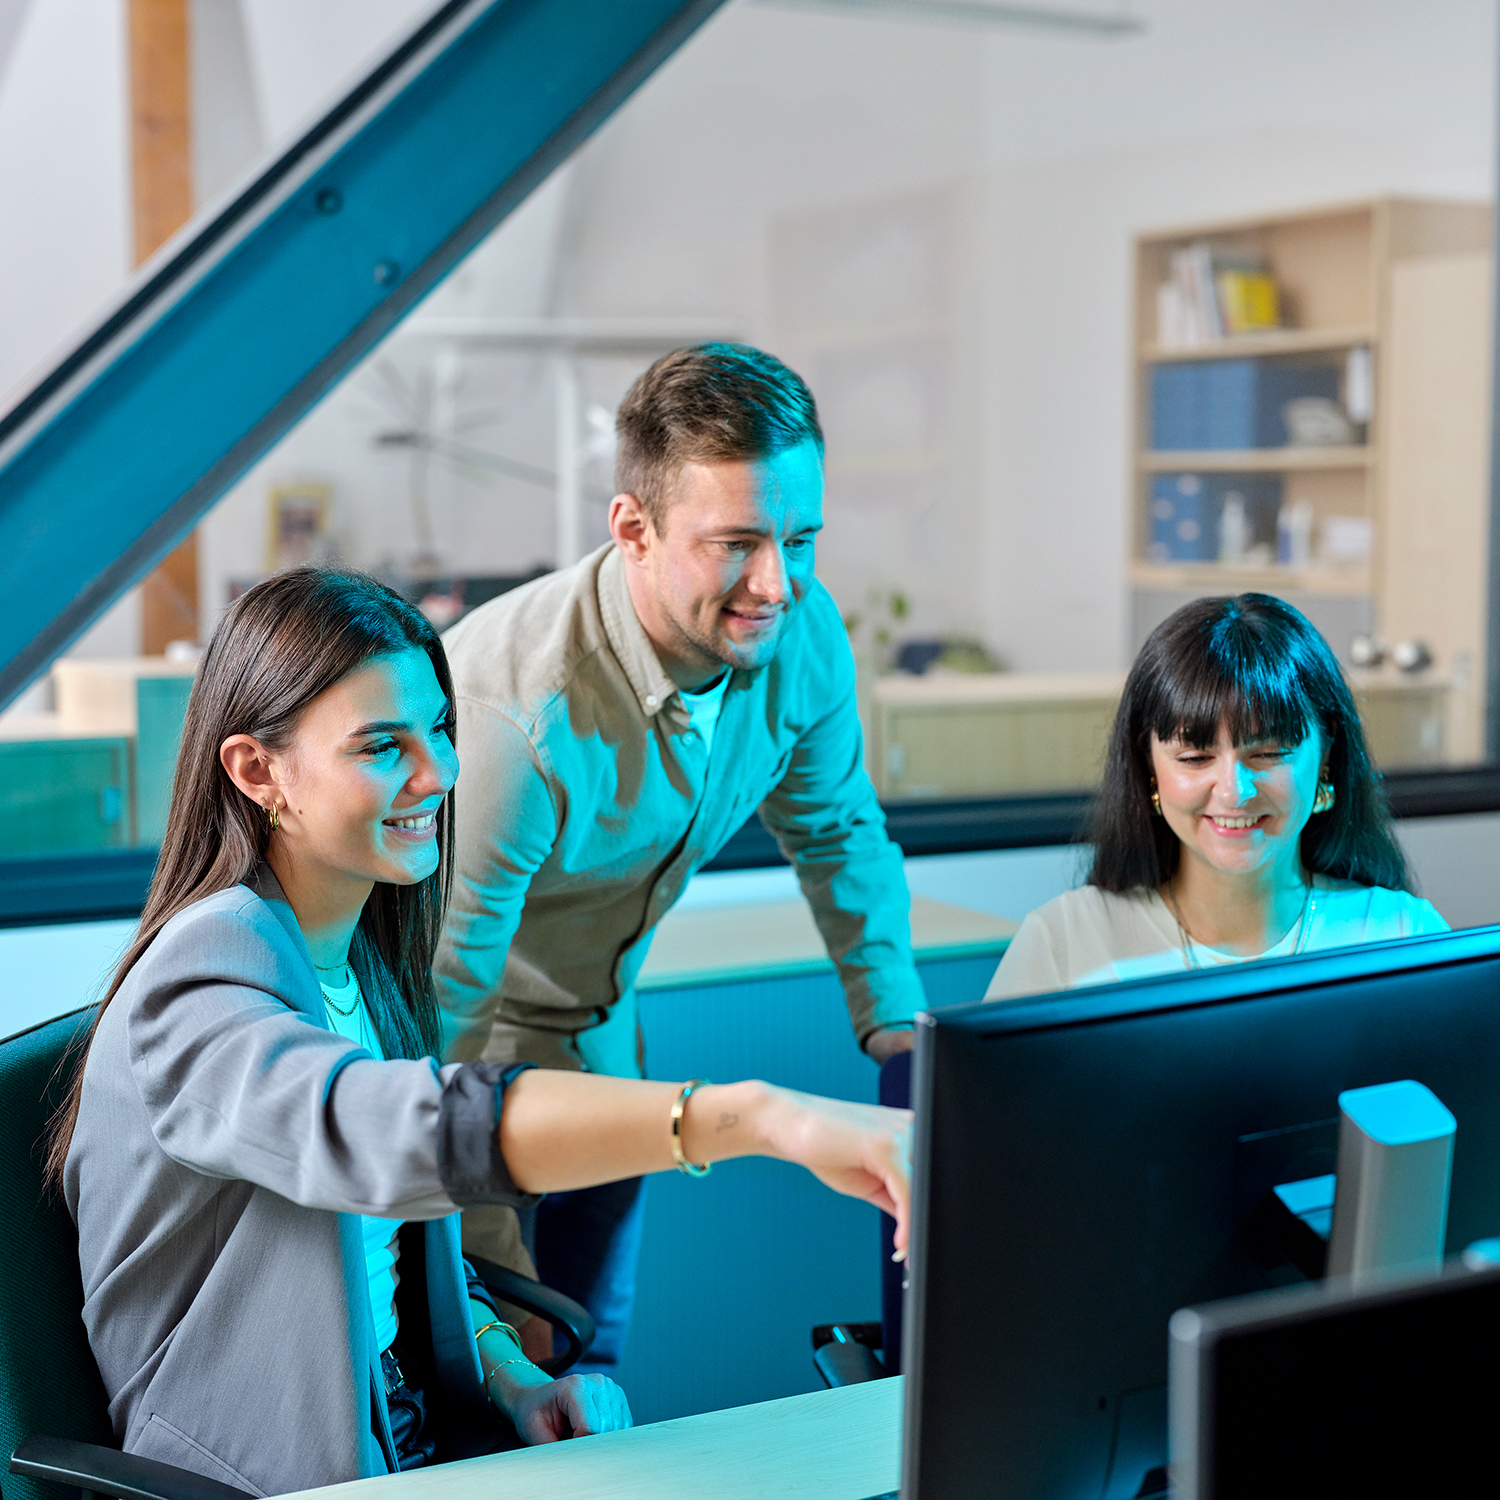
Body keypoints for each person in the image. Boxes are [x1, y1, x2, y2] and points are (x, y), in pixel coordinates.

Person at [50, 569, 911, 1498]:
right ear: (259, 772)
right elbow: (391, 1132)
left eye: (440, 730)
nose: (441, 773)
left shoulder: (359, 963)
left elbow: (391, 1252)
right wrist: (755, 1119)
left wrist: (512, 1377)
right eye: (383, 746)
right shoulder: (200, 981)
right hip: (274, 1476)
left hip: (407, 1431)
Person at [433, 343, 923, 1368]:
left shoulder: (799, 638)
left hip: (610, 1053)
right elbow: (443, 1032)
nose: (777, 583)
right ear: (634, 530)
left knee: (594, 1372)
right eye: (736, 544)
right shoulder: (515, 721)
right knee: (507, 1378)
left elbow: (837, 831)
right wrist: (491, 1270)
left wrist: (905, 1046)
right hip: (473, 1073)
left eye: (800, 539)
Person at [986, 593, 1447, 1000]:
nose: (1234, 791)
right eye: (1194, 758)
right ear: (1149, 767)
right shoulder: (1065, 943)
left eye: (1268, 753)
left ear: (1326, 758)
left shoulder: (1400, 935)